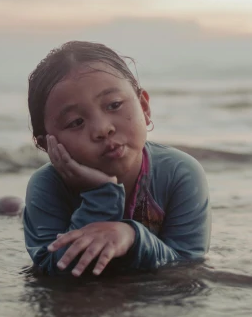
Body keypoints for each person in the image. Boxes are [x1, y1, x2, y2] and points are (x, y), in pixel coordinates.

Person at [23, 41, 211, 277]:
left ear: (144, 107)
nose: (103, 129)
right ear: (46, 143)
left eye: (114, 105)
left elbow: (187, 265)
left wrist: (131, 237)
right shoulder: (47, 187)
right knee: (4, 207)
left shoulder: (180, 173)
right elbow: (54, 270)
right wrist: (100, 193)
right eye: (76, 122)